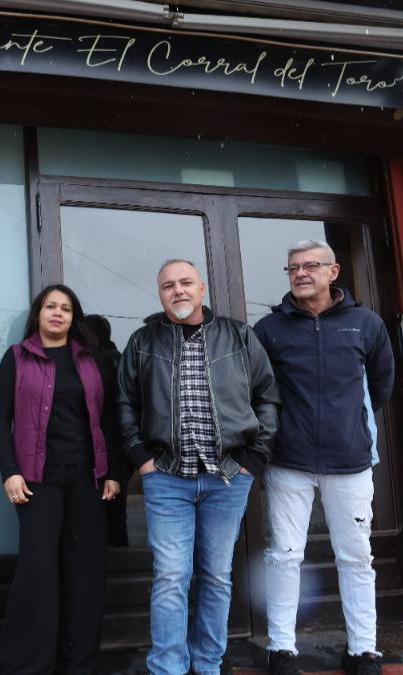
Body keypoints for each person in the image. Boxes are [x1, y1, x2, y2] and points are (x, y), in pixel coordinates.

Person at [118, 260, 280, 675]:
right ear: (160, 294)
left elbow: (267, 397)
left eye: (185, 282)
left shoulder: (239, 336)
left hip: (228, 476)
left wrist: (254, 460)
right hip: (167, 477)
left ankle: (208, 664)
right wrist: (143, 460)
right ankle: (168, 667)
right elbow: (124, 405)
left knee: (216, 576)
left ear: (202, 288)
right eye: (168, 285)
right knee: (171, 576)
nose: (178, 291)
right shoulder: (142, 342)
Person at [253, 240, 395, 675]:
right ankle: (281, 650)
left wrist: (349, 427)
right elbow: (256, 390)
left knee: (356, 557)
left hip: (350, 464)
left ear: (334, 272)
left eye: (311, 266)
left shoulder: (365, 324)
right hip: (288, 462)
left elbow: (380, 385)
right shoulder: (269, 329)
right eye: (293, 267)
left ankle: (363, 650)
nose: (300, 273)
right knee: (284, 555)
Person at [0, 284, 124, 675]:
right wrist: (9, 472)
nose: (57, 313)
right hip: (37, 479)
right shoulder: (17, 358)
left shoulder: (92, 360)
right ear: (38, 313)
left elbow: (110, 418)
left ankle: (79, 663)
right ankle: (29, 665)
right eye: (51, 306)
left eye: (65, 308)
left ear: (73, 317)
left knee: (86, 570)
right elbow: (0, 420)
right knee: (38, 570)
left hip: (88, 477)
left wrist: (114, 472)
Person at [83, 314, 129, 547]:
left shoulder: (94, 362)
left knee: (96, 515)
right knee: (116, 512)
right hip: (122, 445)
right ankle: (120, 555)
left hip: (104, 445)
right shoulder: (120, 359)